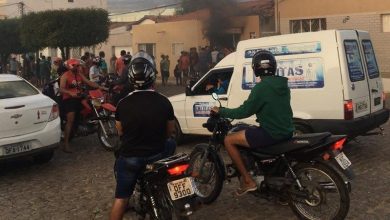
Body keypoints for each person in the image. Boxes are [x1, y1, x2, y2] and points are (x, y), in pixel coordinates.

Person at [211, 50, 294, 196]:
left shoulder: (261, 88)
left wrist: (221, 111)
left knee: (229, 140)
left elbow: (243, 112)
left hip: (271, 133)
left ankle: (248, 181)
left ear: (255, 68)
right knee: (249, 131)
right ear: (273, 66)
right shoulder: (283, 85)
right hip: (286, 131)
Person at [109, 51, 176, 220]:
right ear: (152, 78)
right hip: (159, 153)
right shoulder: (164, 101)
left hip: (131, 157)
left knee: (121, 199)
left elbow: (120, 132)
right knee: (171, 143)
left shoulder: (122, 104)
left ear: (131, 79)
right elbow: (170, 131)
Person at [59, 58, 107, 153]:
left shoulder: (79, 74)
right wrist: (70, 92)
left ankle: (88, 123)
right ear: (70, 66)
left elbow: (89, 82)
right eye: (75, 66)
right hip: (69, 99)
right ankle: (66, 145)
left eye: (78, 65)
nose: (77, 67)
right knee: (70, 120)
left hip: (80, 97)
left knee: (93, 105)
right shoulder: (65, 76)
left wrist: (101, 87)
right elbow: (61, 89)